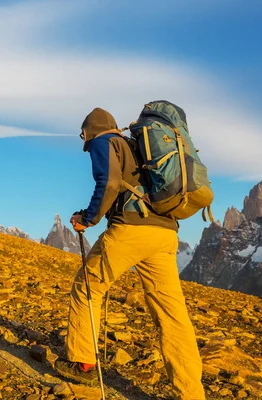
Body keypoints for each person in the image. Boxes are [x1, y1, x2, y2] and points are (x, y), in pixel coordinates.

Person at [54, 107, 205, 399]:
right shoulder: (138, 146)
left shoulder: (104, 142)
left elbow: (109, 183)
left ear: (89, 132)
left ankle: (83, 363)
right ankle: (191, 393)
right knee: (171, 315)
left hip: (131, 230)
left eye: (84, 138)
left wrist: (87, 218)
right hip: (164, 233)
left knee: (87, 287)